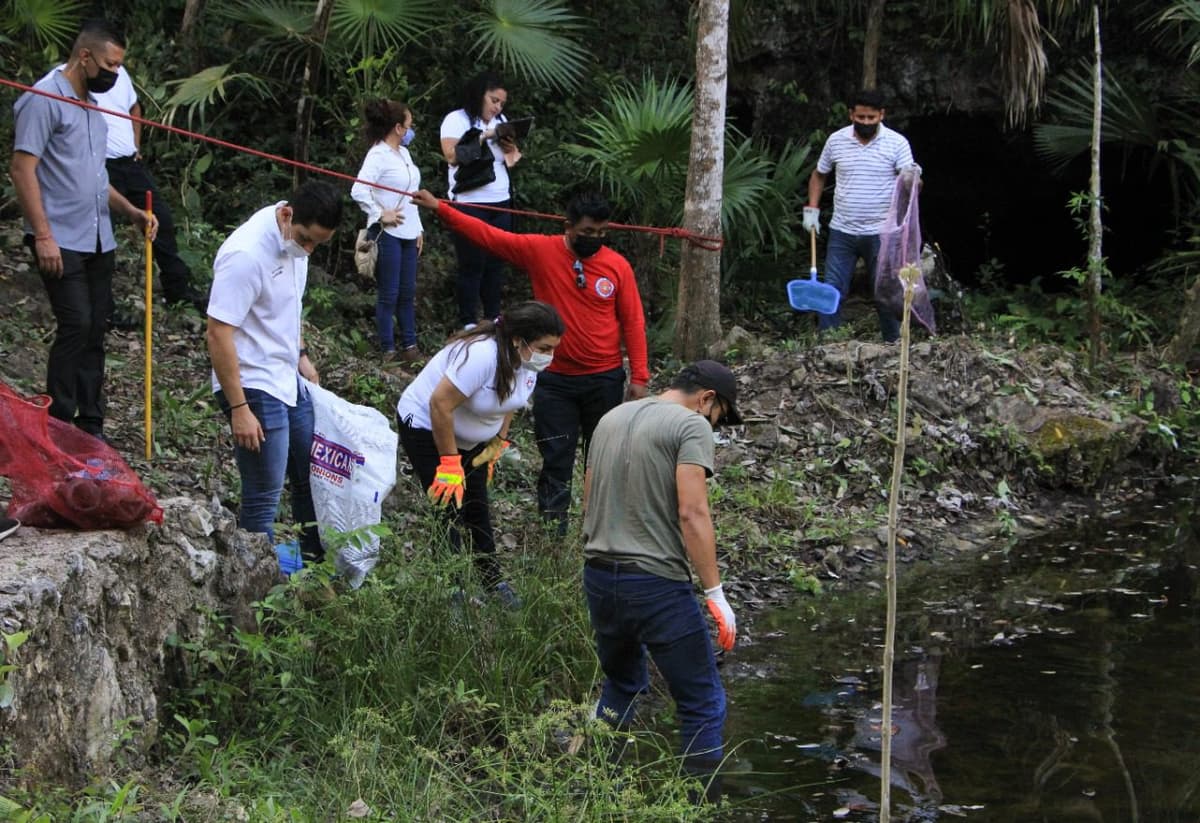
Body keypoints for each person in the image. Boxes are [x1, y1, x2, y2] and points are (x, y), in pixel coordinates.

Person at [410, 188, 649, 534]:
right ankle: (554, 533)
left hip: (605, 377)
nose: (593, 239)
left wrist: (639, 376)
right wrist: (441, 209)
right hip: (553, 380)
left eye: (600, 233)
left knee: (604, 458)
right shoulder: (542, 250)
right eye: (586, 233)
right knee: (556, 458)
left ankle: (600, 531)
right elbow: (490, 236)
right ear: (568, 226)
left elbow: (633, 320)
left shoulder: (617, 266)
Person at [581, 360, 742, 802]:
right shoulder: (691, 426)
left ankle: (600, 789)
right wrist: (715, 593)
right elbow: (692, 513)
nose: (717, 426)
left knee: (622, 685)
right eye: (721, 416)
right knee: (703, 702)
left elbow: (589, 494)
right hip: (655, 584)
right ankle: (699, 807)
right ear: (707, 398)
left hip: (598, 575)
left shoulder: (612, 417)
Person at [10, 19, 158, 440]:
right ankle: (58, 422)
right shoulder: (43, 99)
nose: (115, 75)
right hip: (59, 237)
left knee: (96, 328)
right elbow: (23, 169)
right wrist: (42, 235)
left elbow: (93, 177)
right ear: (85, 56)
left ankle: (90, 426)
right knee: (76, 324)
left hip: (98, 237)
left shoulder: (92, 105)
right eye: (111, 65)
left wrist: (130, 211)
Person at [206, 180, 343, 566]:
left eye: (318, 243)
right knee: (264, 493)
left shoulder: (297, 243)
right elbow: (218, 332)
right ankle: (257, 588)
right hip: (251, 381)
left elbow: (288, 307)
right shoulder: (246, 254)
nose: (309, 250)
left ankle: (315, 570)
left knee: (310, 477)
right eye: (306, 239)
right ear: (287, 215)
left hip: (286, 377)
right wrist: (239, 407)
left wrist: (300, 354)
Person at [395, 301, 564, 607]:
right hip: (425, 426)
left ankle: (492, 582)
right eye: (545, 347)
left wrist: (497, 444)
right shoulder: (481, 355)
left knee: (477, 505)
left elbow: (511, 401)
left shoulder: (526, 363)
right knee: (447, 506)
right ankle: (451, 590)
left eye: (553, 348)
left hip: (470, 436)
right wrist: (449, 462)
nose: (549, 356)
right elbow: (440, 405)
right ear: (518, 339)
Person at [805, 88, 919, 343]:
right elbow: (819, 174)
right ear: (851, 115)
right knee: (832, 290)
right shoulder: (836, 141)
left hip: (882, 232)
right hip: (842, 230)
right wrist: (812, 208)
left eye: (871, 118)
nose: (865, 123)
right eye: (861, 117)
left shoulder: (897, 143)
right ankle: (829, 344)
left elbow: (910, 183)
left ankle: (893, 343)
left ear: (881, 115)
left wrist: (914, 179)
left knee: (884, 291)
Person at [93, 64, 206, 312]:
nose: (113, 65)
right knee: (102, 230)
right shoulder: (78, 78)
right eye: (109, 60)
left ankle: (178, 291)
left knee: (161, 220)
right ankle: (102, 307)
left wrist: (136, 144)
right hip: (99, 162)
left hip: (129, 163)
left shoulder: (120, 73)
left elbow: (135, 107)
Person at [439, 71, 522, 329]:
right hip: (469, 201)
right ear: (480, 95)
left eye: (501, 104)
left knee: (496, 263)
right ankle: (468, 322)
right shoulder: (457, 119)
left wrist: (510, 146)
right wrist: (486, 135)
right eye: (494, 100)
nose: (497, 107)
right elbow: (452, 156)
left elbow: (511, 161)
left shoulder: (502, 120)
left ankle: (493, 318)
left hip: (500, 199)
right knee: (472, 263)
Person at [351, 99, 425, 365]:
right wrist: (380, 213)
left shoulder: (404, 154)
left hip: (408, 232)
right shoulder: (378, 154)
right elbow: (358, 189)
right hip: (389, 234)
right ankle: (388, 351)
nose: (411, 128)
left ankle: (410, 346)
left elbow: (410, 196)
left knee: (407, 292)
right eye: (408, 125)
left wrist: (419, 229)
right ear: (397, 128)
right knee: (389, 294)